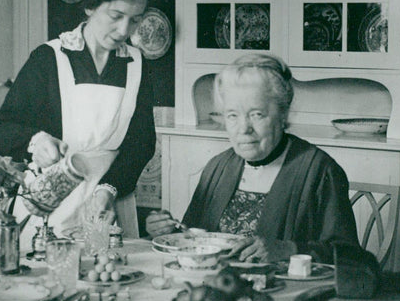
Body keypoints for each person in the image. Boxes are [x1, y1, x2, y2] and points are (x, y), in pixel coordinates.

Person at [0, 0, 155, 238]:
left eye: (135, 19)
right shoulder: (49, 58)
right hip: (49, 202)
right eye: (116, 15)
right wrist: (36, 141)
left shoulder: (136, 64)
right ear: (91, 7)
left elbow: (141, 143)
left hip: (110, 198)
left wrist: (108, 190)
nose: (125, 30)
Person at [146, 53, 359, 263]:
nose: (244, 129)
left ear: (283, 114)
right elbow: (194, 238)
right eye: (232, 115)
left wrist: (289, 250)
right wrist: (167, 229)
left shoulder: (319, 170)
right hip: (218, 288)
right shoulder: (218, 166)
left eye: (256, 114)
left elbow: (350, 256)